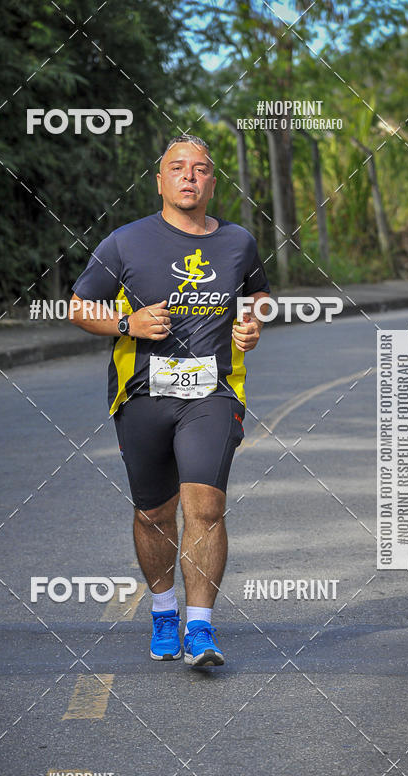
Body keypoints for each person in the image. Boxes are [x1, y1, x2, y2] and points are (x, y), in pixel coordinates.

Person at [69, 134, 270, 667]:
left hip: (213, 392)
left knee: (205, 506)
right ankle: (163, 610)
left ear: (211, 181)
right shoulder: (125, 243)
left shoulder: (237, 243)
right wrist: (124, 322)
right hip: (141, 396)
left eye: (200, 169)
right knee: (154, 513)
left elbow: (259, 295)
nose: (189, 176)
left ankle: (200, 628)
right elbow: (78, 306)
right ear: (159, 180)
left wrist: (252, 324)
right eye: (177, 167)